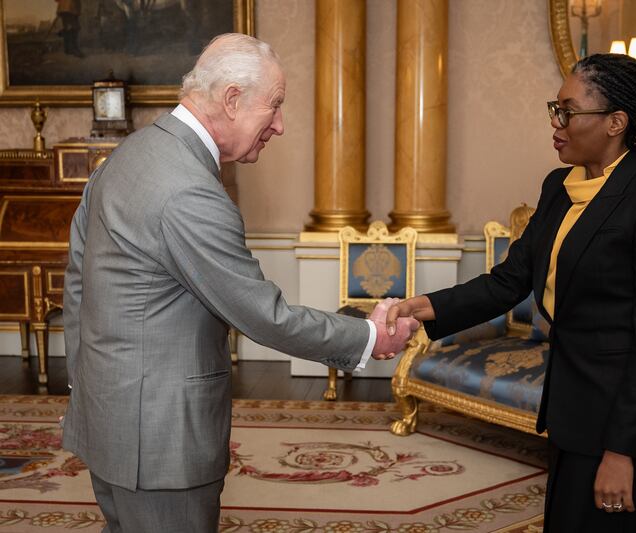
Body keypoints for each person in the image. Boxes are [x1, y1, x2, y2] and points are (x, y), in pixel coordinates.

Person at [61, 33, 418, 533]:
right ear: (231, 99)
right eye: (273, 106)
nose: (280, 124)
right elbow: (261, 315)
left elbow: (78, 286)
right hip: (161, 441)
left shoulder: (128, 155)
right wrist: (369, 336)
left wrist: (89, 388)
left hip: (112, 419)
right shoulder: (188, 190)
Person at [386, 53, 636, 532]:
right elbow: (509, 279)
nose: (555, 123)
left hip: (630, 414)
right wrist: (425, 306)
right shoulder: (560, 186)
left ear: (616, 122)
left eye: (567, 111)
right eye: (554, 109)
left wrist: (622, 451)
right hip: (576, 401)